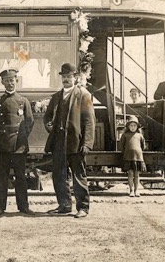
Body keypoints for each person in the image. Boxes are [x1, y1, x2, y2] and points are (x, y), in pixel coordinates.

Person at [44, 63, 95, 218]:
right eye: (64, 77)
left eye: (69, 76)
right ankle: (64, 205)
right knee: (59, 175)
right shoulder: (56, 97)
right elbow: (47, 117)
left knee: (78, 176)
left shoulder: (83, 95)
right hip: (58, 143)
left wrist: (87, 143)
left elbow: (89, 121)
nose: (66, 79)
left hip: (76, 143)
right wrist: (49, 125)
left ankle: (83, 208)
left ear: (75, 78)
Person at [0, 69, 35, 216]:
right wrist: (0, 139)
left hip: (19, 146)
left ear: (16, 81)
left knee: (21, 177)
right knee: (2, 177)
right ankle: (0, 207)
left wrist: (21, 138)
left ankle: (23, 207)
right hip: (3, 145)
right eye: (7, 80)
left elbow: (29, 122)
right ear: (2, 82)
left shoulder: (23, 101)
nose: (10, 83)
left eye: (12, 80)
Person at [118, 115, 146, 197]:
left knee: (137, 175)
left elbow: (143, 146)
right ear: (128, 126)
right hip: (128, 157)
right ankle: (131, 191)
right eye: (131, 125)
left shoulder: (140, 136)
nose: (133, 127)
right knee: (130, 174)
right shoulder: (125, 135)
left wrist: (138, 152)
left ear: (137, 127)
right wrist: (126, 152)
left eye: (134, 125)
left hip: (138, 158)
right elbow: (121, 146)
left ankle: (136, 190)